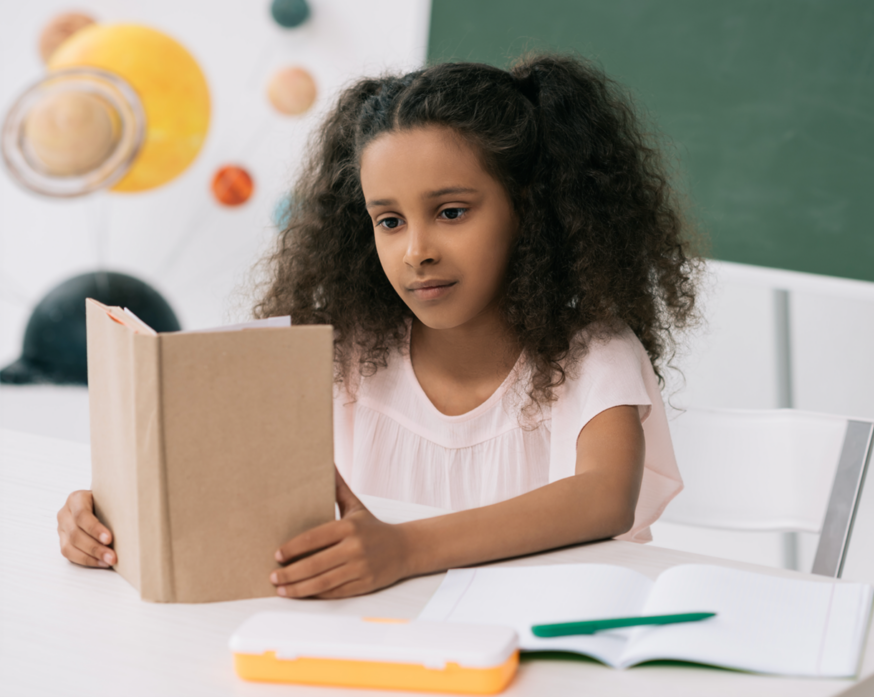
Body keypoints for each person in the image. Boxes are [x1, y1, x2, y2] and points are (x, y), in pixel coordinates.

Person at [57, 55, 703, 599]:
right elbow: (226, 487)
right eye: (388, 220)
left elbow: (602, 498)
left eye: (451, 211)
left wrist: (403, 547)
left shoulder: (593, 355)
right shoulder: (348, 358)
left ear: (532, 210)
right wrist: (111, 515)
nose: (415, 249)